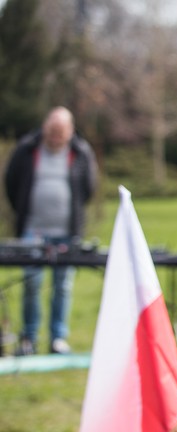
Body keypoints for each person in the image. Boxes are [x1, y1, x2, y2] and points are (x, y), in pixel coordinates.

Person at [4, 106, 98, 355]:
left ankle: (58, 338)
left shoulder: (80, 152)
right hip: (33, 230)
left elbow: (89, 187)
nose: (56, 138)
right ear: (45, 128)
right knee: (32, 282)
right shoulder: (27, 150)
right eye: (52, 132)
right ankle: (29, 338)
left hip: (67, 231)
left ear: (70, 132)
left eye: (61, 133)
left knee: (62, 285)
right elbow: (11, 183)